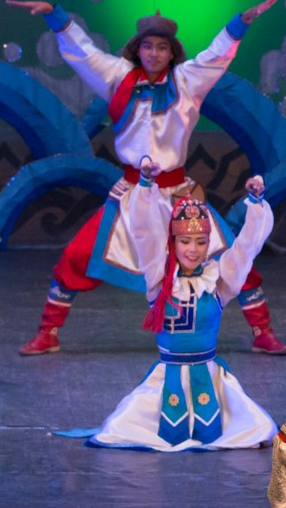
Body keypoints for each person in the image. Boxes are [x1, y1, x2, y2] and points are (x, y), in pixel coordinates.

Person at [6, 0, 286, 357]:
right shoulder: (118, 78)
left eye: (161, 47)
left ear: (171, 53)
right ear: (137, 49)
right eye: (147, 46)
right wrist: (55, 16)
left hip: (178, 195)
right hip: (131, 194)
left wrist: (242, 21)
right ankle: (48, 333)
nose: (154, 54)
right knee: (76, 256)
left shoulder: (187, 81)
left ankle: (262, 331)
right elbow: (84, 53)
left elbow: (215, 55)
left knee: (229, 255)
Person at [86, 165, 275, 451]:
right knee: (120, 430)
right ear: (173, 242)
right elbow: (145, 234)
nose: (193, 250)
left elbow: (245, 250)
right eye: (185, 241)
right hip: (167, 378)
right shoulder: (160, 279)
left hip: (210, 379)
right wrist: (146, 186)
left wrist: (256, 204)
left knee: (256, 429)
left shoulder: (217, 281)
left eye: (200, 242)